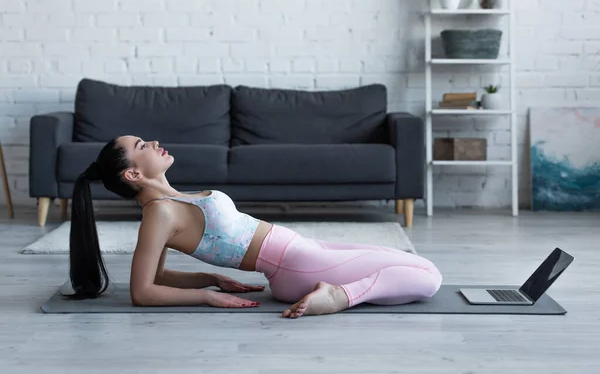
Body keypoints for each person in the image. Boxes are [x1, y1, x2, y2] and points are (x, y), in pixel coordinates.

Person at [69, 136, 443, 319]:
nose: (152, 141)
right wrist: (207, 296)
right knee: (428, 276)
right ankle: (337, 298)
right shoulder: (159, 214)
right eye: (141, 145)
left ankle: (338, 292)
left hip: (304, 251)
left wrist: (211, 278)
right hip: (297, 265)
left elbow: (161, 274)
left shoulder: (170, 202)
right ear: (133, 173)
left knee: (407, 261)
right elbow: (143, 291)